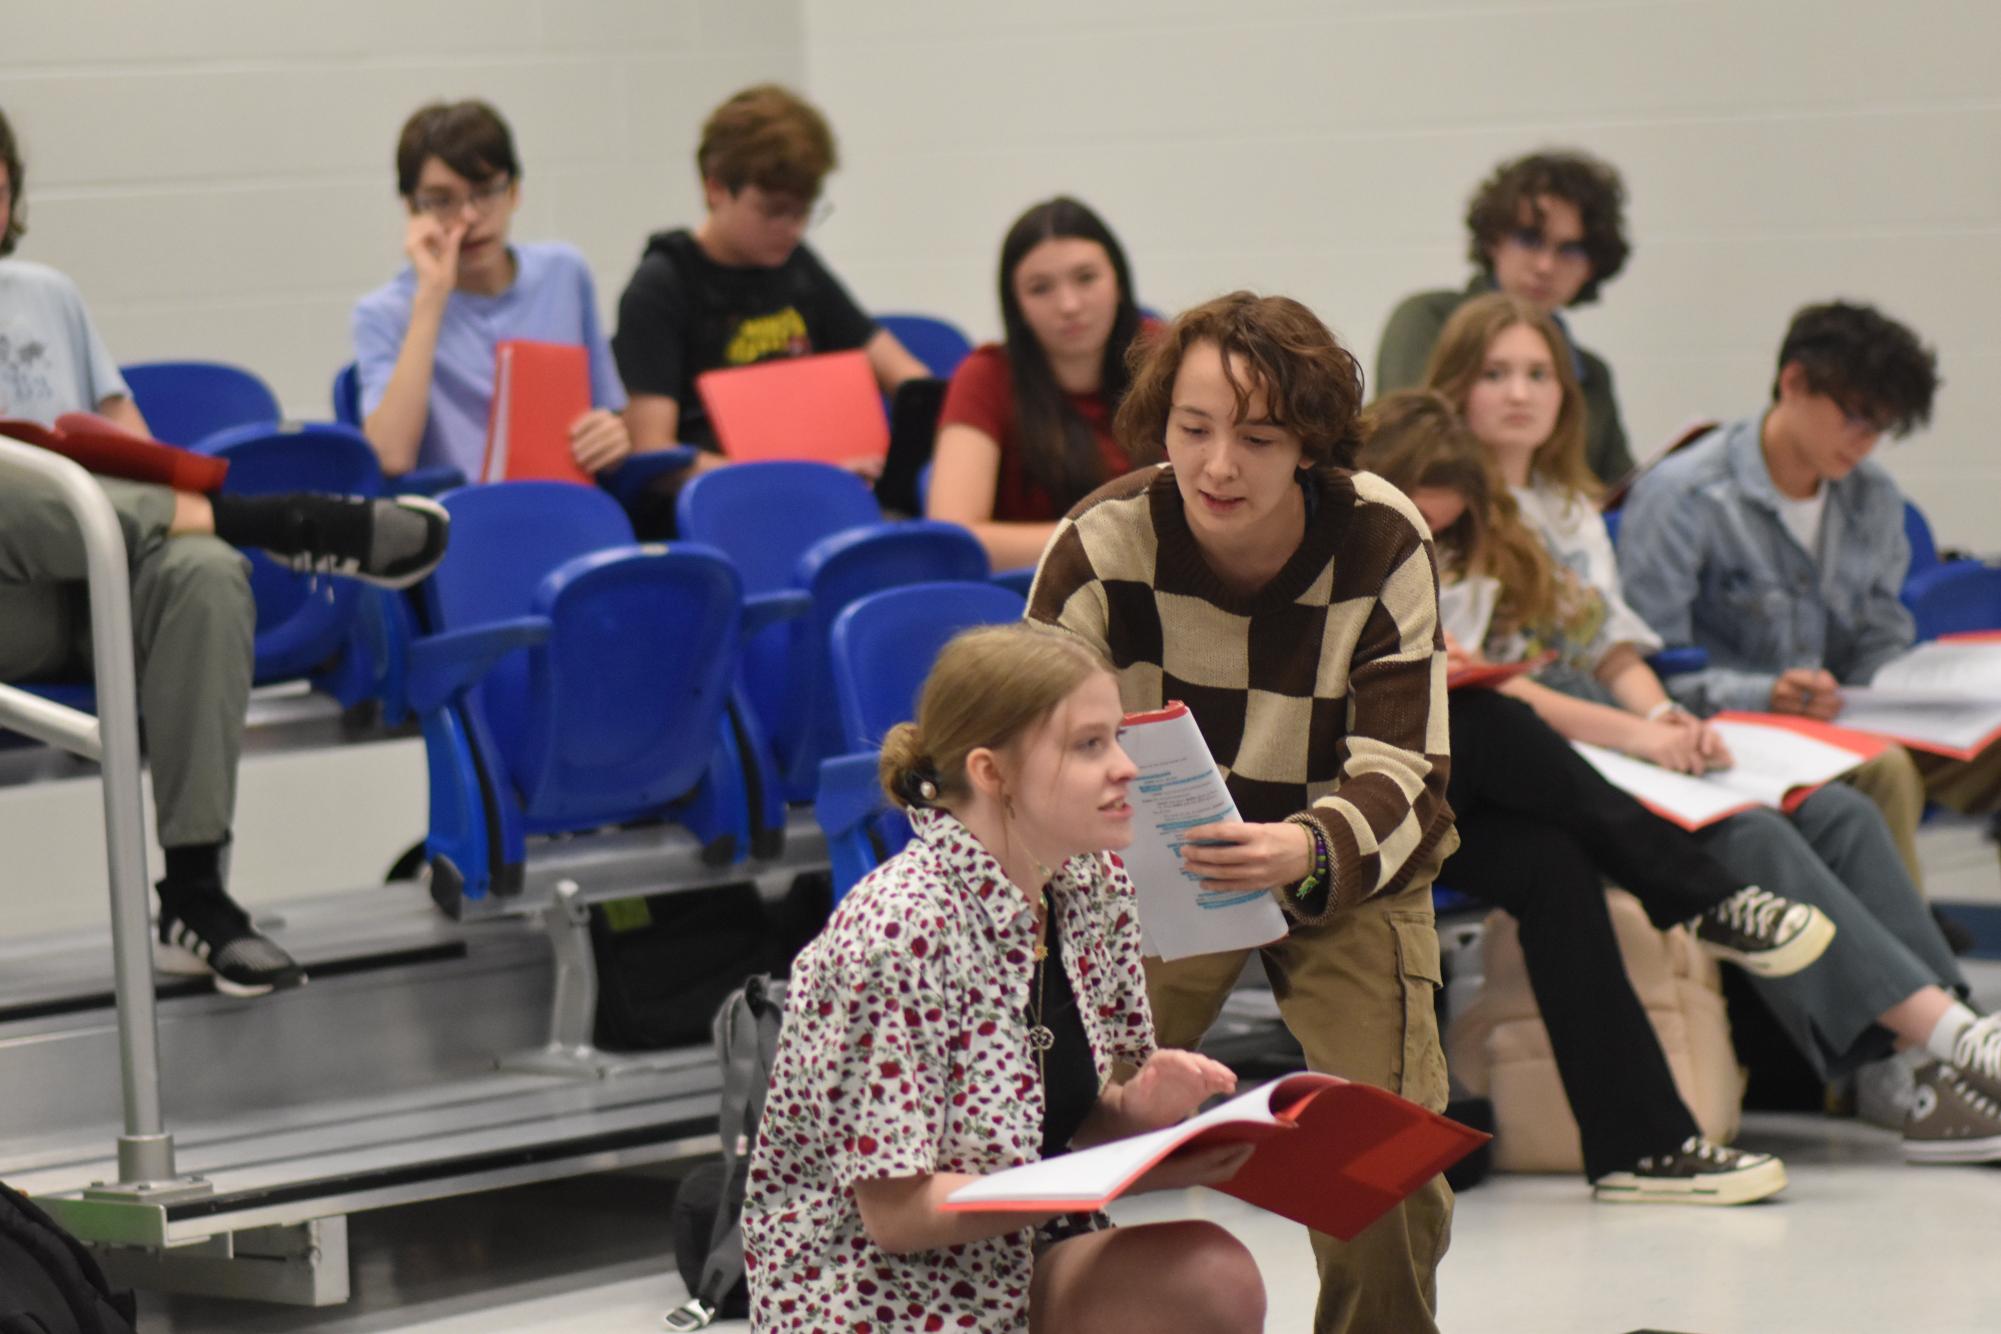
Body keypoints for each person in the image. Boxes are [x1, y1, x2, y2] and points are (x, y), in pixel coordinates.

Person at [1419, 294, 2001, 1163]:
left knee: (1843, 811)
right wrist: (1649, 730)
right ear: (1454, 389)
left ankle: (1930, 1053)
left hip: (1618, 733)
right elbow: (1486, 691)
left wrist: (1659, 717)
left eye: (1538, 374)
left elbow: (1610, 645)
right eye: (1496, 374)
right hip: (1534, 758)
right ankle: (1943, 1045)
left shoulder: (1562, 508)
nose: (1519, 395)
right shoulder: (1439, 513)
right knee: (1752, 834)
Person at [1028, 292, 1454, 1333]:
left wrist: (1302, 845)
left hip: (1336, 865)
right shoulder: (1099, 545)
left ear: (1309, 442)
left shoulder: (1383, 537)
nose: (1218, 465)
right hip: (1142, 877)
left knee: (1384, 1159)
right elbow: (1027, 746)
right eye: (1192, 428)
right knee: (1042, 1134)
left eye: (1257, 437)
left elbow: (1407, 769)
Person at [0, 104, 451, 999]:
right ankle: (289, 522)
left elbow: (123, 445)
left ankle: (195, 898)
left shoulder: (48, 294)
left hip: (92, 578)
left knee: (203, 567)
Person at [1359, 389, 1830, 1204]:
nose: (1428, 545)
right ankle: (1699, 895)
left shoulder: (1483, 552)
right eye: (1415, 529)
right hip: (1338, 790)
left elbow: (1595, 639)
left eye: (1442, 530)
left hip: (1430, 787)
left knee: (1552, 861)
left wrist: (1655, 718)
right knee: (1489, 717)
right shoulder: (1308, 551)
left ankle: (1640, 1148)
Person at [743, 622, 1266, 1334]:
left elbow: (1046, 1126)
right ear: (992, 773)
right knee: (1204, 1276)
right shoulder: (897, 932)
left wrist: (1132, 1111)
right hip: (876, 1296)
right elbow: (897, 1217)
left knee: (1210, 1275)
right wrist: (1147, 1172)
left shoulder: (1087, 882)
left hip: (1015, 1256)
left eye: (1114, 738)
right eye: (1088, 745)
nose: (1125, 767)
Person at [1617, 300, 1999, 886]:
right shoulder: (1684, 497)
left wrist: (1907, 686)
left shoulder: (1871, 495)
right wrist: (1768, 692)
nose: (1866, 441)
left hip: (1841, 715)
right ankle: (1916, 972)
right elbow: (1648, 673)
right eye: (1856, 416)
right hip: (1726, 730)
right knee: (1884, 769)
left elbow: (1880, 634)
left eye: (1882, 427)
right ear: (1793, 382)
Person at [612, 84, 926, 468]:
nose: (792, 229)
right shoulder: (663, 285)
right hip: (730, 501)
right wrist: (796, 476)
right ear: (716, 189)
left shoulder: (796, 266)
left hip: (824, 481)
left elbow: (910, 382)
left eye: (803, 212)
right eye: (774, 211)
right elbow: (653, 452)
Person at [352, 99, 633, 483]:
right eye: (441, 200)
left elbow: (610, 413)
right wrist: (432, 297)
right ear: (412, 209)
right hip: (461, 517)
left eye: (485, 191)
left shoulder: (564, 272)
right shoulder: (385, 312)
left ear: (514, 191)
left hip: (560, 502)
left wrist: (611, 436)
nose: (469, 216)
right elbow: (391, 456)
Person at [1376, 148, 1635, 485]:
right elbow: (1407, 451)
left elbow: (1617, 491)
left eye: (1569, 250)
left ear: (1591, 266)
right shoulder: (1428, 319)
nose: (1545, 266)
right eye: (1530, 239)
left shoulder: (1592, 375)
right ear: (1493, 241)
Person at [927, 197, 1151, 570]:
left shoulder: (1164, 355)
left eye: (1086, 278)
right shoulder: (985, 376)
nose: (1068, 304)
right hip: (1031, 606)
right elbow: (953, 537)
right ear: (1016, 305)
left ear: (1119, 282)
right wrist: (1116, 537)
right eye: (1040, 288)